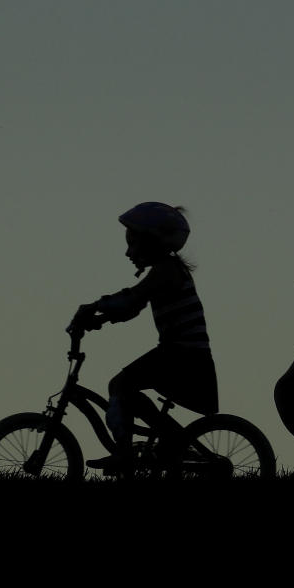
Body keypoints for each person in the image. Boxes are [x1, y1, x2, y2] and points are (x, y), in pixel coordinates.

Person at [70, 202, 218, 473]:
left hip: (182, 355)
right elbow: (132, 308)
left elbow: (132, 298)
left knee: (120, 385)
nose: (128, 251)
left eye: (132, 243)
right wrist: (102, 319)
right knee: (128, 392)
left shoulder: (166, 271)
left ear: (152, 242)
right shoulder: (167, 271)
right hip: (184, 355)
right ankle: (172, 440)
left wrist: (93, 307)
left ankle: (126, 455)